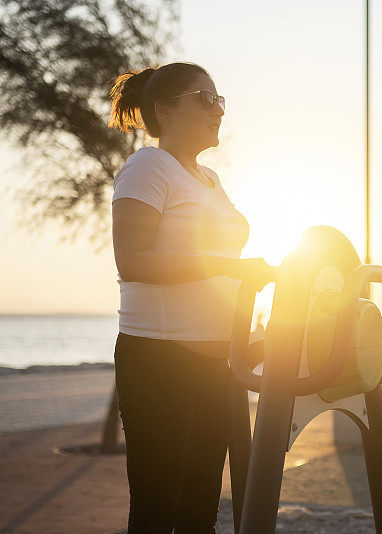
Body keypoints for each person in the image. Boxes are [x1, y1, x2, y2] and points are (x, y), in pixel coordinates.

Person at [108, 62, 273, 533]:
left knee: (200, 512)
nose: (217, 110)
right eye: (205, 99)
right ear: (164, 110)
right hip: (159, 359)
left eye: (220, 100)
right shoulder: (147, 165)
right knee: (158, 513)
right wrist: (226, 267)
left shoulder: (210, 179)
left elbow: (221, 261)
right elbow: (133, 261)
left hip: (214, 362)